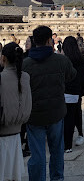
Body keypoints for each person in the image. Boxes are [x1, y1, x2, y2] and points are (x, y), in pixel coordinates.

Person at [22, 25, 77, 181]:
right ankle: (57, 178)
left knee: (37, 153)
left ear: (34, 41)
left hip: (34, 114)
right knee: (57, 150)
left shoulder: (26, 64)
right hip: (56, 112)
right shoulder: (61, 60)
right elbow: (71, 75)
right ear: (49, 40)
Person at [0, 42, 32, 181]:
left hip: (3, 134)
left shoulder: (2, 78)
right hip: (16, 134)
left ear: (3, 58)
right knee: (13, 175)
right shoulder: (25, 77)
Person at [61, 36, 84, 152]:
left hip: (64, 90)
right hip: (77, 90)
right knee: (76, 113)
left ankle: (67, 143)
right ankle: (79, 135)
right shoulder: (81, 59)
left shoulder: (63, 60)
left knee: (66, 117)